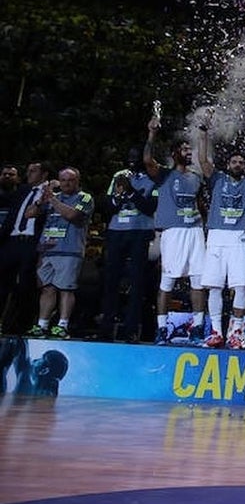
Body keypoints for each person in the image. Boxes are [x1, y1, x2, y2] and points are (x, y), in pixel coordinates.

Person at [197, 125, 245, 349]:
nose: (238, 165)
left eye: (241, 163)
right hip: (216, 237)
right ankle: (216, 331)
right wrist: (204, 132)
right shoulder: (217, 179)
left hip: (239, 238)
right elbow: (203, 160)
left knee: (241, 287)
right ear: (228, 165)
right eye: (234, 162)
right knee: (214, 287)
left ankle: (236, 330)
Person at [145, 116, 207, 344]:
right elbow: (147, 160)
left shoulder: (196, 177)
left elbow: (201, 205)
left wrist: (204, 226)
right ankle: (161, 328)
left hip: (195, 231)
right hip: (173, 232)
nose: (187, 151)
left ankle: (198, 326)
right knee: (167, 281)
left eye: (188, 148)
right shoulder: (164, 174)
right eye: (183, 149)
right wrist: (152, 134)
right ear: (174, 154)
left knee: (198, 280)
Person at [23, 168, 94, 339]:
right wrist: (42, 199)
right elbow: (29, 213)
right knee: (47, 289)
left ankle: (62, 325)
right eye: (63, 180)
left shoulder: (84, 197)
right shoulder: (54, 197)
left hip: (69, 250)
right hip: (47, 250)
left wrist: (52, 198)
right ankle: (42, 325)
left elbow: (71, 215)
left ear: (77, 181)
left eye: (70, 180)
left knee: (65, 289)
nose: (66, 183)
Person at [96, 151, 157, 342]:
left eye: (135, 155)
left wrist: (131, 191)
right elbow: (108, 205)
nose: (132, 158)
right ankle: (106, 329)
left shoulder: (154, 176)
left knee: (137, 282)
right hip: (116, 231)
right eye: (129, 155)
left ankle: (132, 330)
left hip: (140, 232)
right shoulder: (118, 175)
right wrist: (119, 198)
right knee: (111, 280)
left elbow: (150, 207)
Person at [0, 162, 51, 335]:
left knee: (25, 286)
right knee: (2, 284)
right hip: (11, 242)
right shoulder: (22, 191)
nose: (28, 174)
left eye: (33, 171)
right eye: (28, 170)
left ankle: (20, 326)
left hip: (32, 243)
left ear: (44, 174)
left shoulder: (52, 192)